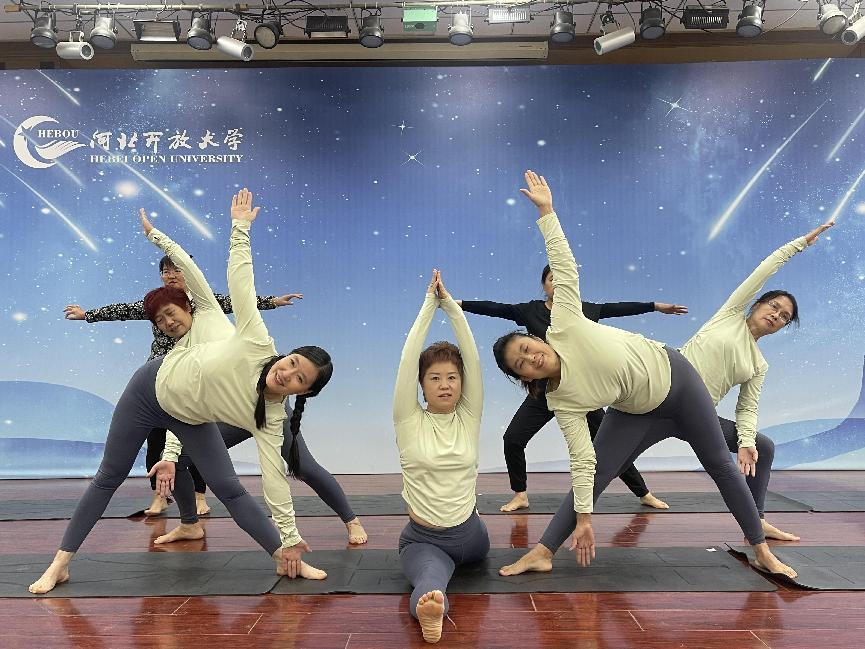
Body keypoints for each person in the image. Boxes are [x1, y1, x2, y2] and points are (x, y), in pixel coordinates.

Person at [492, 171, 797, 579]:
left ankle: (760, 549)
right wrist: (585, 519)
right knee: (598, 471)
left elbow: (563, 266)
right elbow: (581, 460)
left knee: (719, 465)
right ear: (524, 378)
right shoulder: (561, 399)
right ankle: (543, 551)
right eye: (521, 364)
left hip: (680, 385)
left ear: (538, 339)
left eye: (527, 348)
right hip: (635, 408)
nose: (531, 358)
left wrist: (547, 212)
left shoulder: (564, 322)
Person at [29, 189, 328, 594]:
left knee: (229, 487)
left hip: (188, 415)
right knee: (109, 476)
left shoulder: (271, 417)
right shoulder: (255, 341)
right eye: (291, 362)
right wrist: (234, 229)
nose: (286, 373)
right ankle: (60, 564)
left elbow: (275, 479)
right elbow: (237, 278)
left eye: (299, 378)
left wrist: (290, 538)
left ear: (303, 392)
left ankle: (281, 556)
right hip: (147, 392)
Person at [63, 247, 300, 516]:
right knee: (156, 442)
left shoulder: (202, 302)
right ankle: (160, 496)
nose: (171, 275)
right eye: (166, 271)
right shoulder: (157, 302)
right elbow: (124, 310)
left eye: (176, 269)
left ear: (187, 271)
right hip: (161, 381)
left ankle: (199, 495)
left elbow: (237, 301)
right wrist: (88, 315)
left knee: (195, 441)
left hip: (196, 382)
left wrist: (273, 301)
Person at [457, 275, 687, 511]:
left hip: (580, 393)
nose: (556, 283)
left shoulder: (581, 311)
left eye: (559, 278)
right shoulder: (531, 311)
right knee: (513, 439)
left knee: (609, 445)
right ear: (544, 285)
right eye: (550, 279)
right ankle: (520, 495)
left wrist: (655, 306)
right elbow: (496, 309)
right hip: (544, 393)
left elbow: (616, 309)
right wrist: (457, 304)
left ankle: (643, 493)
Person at [677, 222, 834, 541]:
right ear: (756, 304)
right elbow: (765, 269)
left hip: (696, 417)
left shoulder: (758, 364)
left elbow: (747, 408)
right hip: (660, 398)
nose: (777, 315)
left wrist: (746, 442)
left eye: (785, 317)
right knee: (607, 459)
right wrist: (799, 244)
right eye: (774, 306)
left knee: (763, 446)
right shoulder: (729, 316)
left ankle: (756, 521)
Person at [394, 269, 488, 643]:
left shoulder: (469, 416)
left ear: (461, 382)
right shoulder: (407, 419)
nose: (445, 384)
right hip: (424, 540)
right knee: (431, 581)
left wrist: (451, 308)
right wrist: (427, 307)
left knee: (444, 568)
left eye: (452, 377)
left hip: (473, 536)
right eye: (434, 377)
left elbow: (473, 359)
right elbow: (408, 360)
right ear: (421, 384)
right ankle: (432, 611)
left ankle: (434, 598)